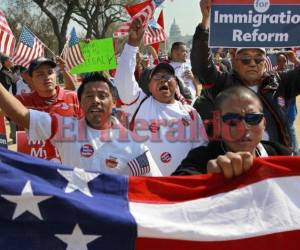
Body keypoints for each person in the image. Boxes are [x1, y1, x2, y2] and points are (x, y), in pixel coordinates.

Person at [0, 72, 161, 176]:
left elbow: (155, 190)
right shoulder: (65, 130)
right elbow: (20, 114)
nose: (96, 100)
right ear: (80, 103)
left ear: (113, 103)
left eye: (102, 95)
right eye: (89, 96)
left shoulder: (136, 146)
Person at [191, 0, 300, 151]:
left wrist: (296, 61)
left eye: (258, 59)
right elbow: (201, 67)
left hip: (275, 164)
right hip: (234, 164)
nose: (252, 64)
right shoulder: (223, 84)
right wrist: (205, 22)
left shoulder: (279, 83)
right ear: (234, 61)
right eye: (246, 59)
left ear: (265, 60)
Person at [114, 19, 208, 176]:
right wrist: (132, 45)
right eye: (157, 77)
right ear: (149, 87)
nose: (163, 80)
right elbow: (123, 79)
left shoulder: (190, 113)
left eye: (168, 76)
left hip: (180, 187)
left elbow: (200, 151)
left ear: (176, 84)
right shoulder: (138, 103)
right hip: (146, 189)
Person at [173, 86, 291, 177]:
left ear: (264, 123)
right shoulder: (200, 160)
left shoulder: (281, 155)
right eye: (232, 120)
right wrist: (206, 180)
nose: (243, 127)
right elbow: (173, 193)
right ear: (218, 125)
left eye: (253, 118)